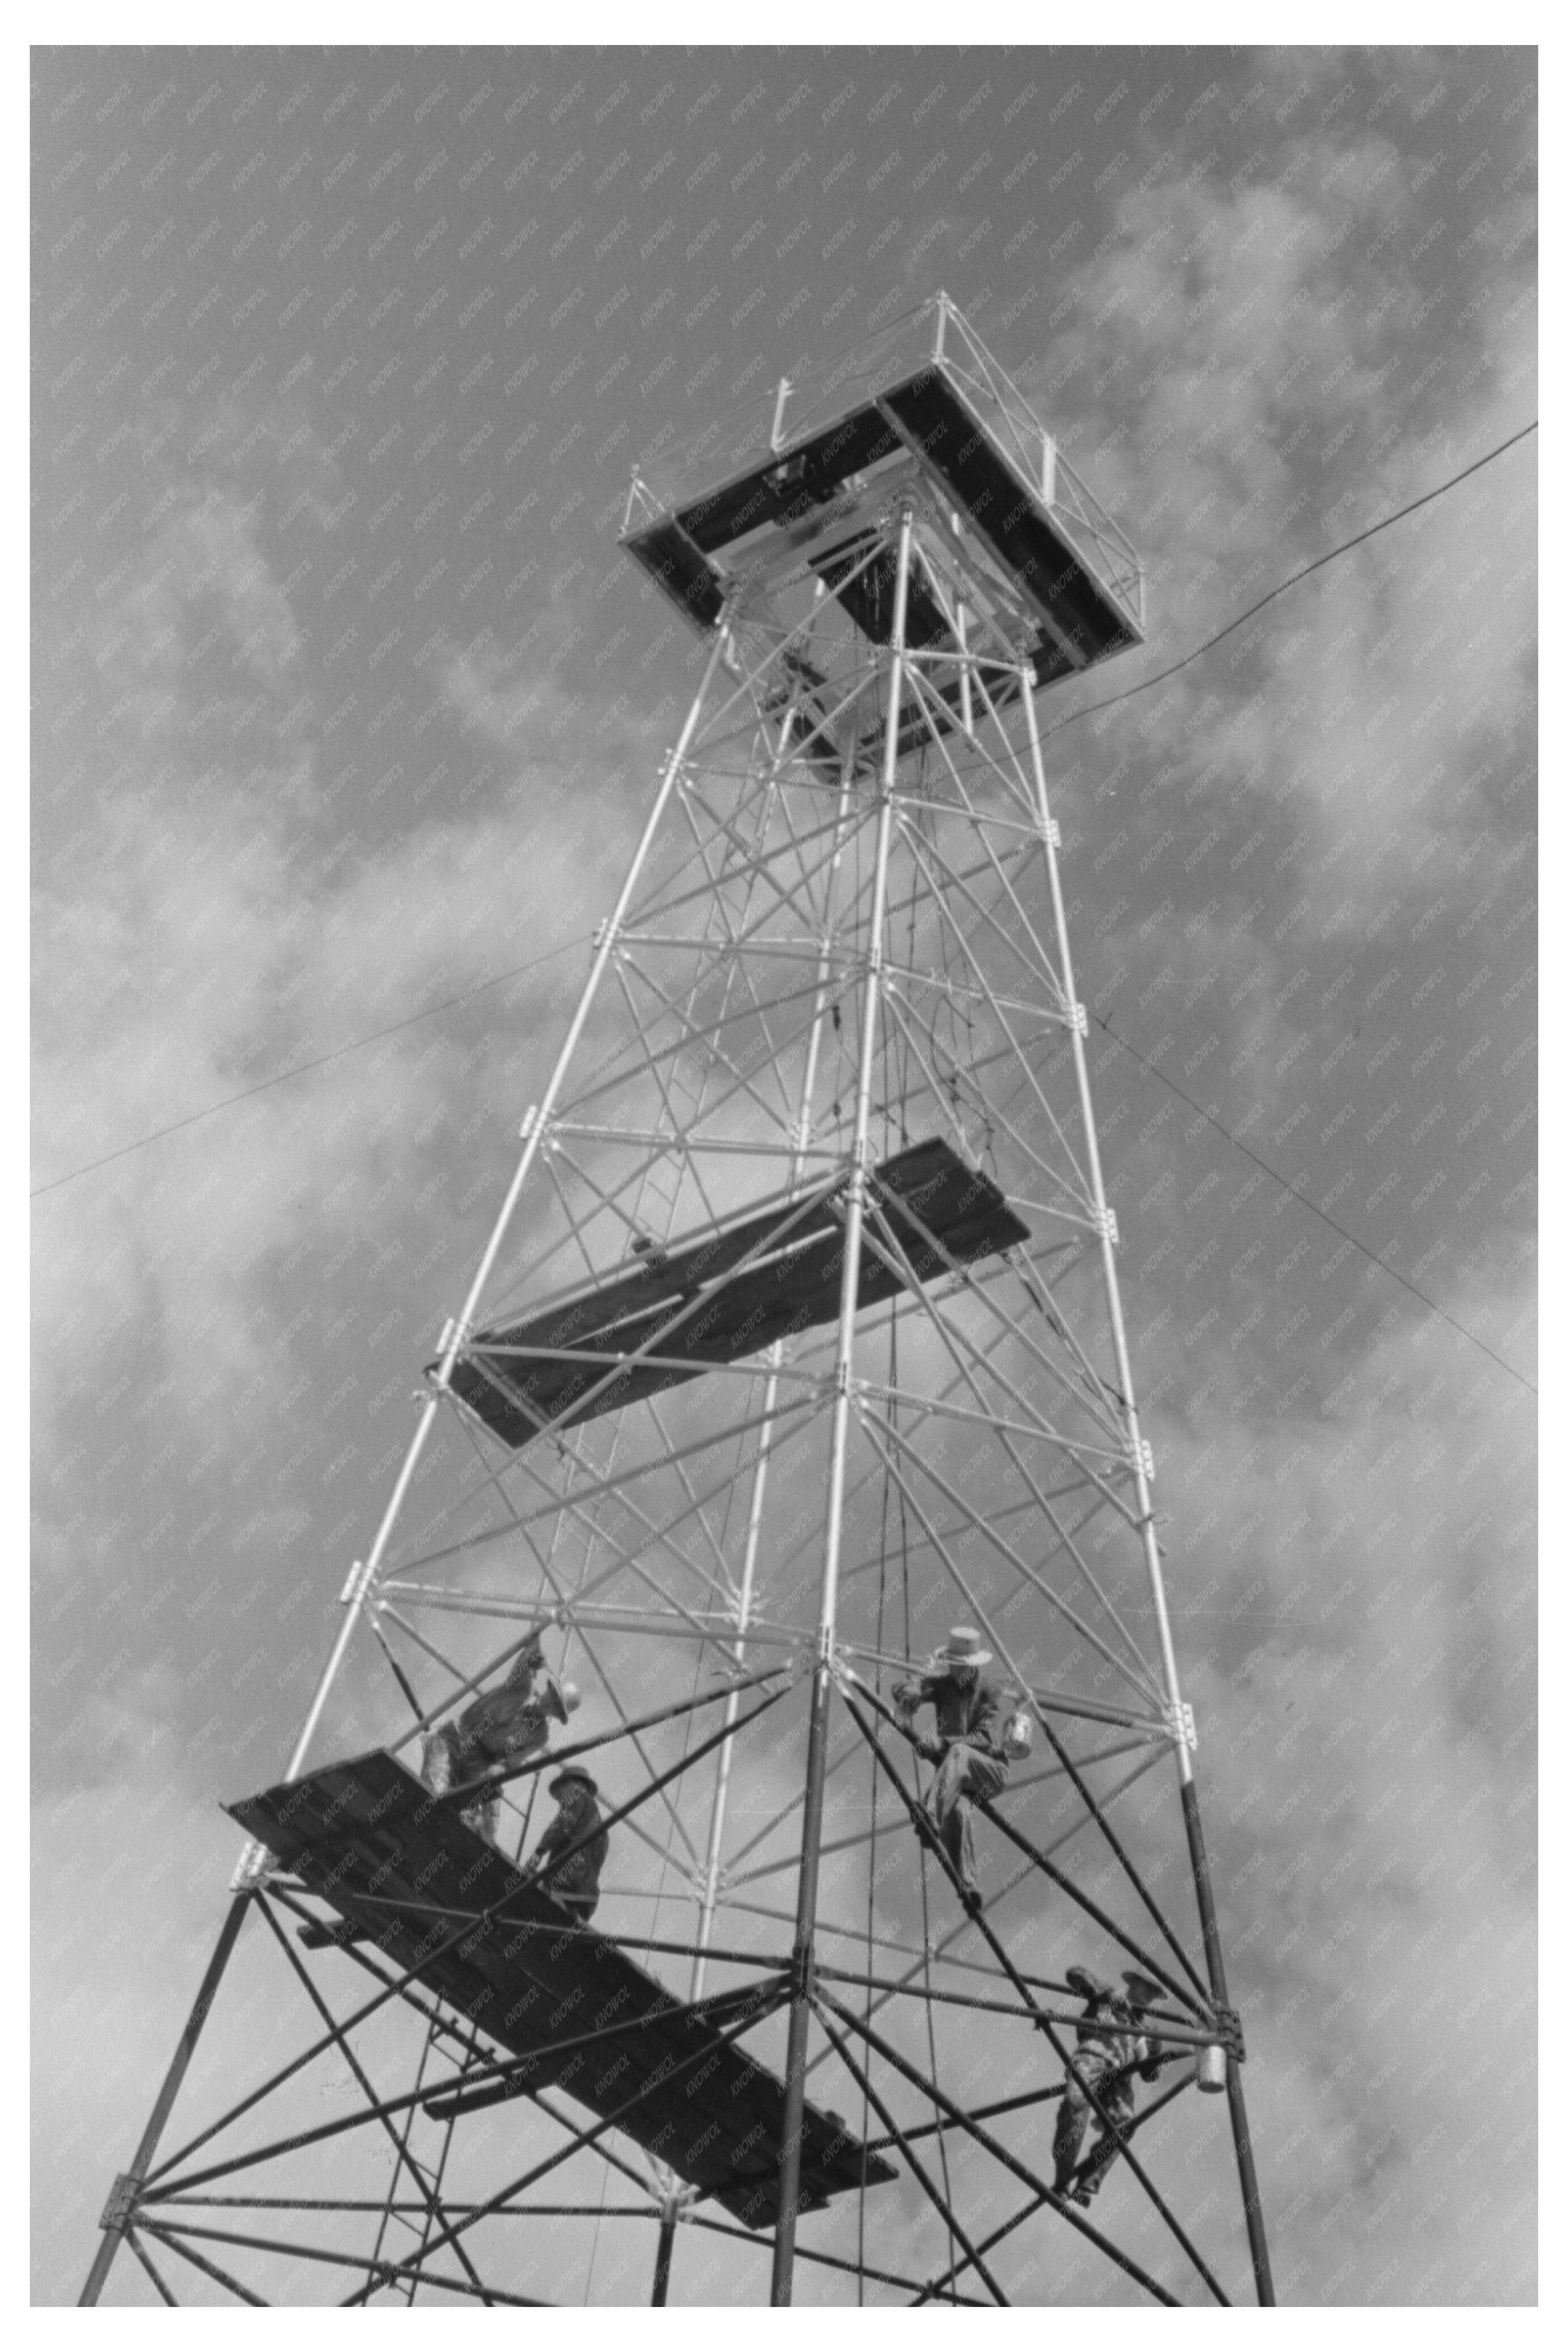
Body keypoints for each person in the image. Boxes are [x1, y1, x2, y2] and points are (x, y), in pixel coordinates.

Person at [892, 1627, 1010, 1911]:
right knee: (958, 1813)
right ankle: (968, 1886)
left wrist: (941, 1744)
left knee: (960, 1752)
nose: (959, 1671)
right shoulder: (945, 1686)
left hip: (989, 1770)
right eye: (955, 1666)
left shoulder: (989, 1691)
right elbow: (901, 1687)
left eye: (964, 1666)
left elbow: (984, 1740)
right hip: (958, 1775)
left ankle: (930, 1815)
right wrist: (911, 1693)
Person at [421, 1635, 580, 1844]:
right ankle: (422, 1823)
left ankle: (470, 1846)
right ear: (549, 1690)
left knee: (481, 1812)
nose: (550, 1704)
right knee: (433, 1791)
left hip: (481, 1762)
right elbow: (529, 1651)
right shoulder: (522, 1688)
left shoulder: (539, 1736)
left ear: (557, 1715)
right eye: (553, 1697)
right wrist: (536, 1651)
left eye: (556, 1707)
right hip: (456, 1739)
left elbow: (510, 1764)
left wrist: (495, 1775)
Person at [1051, 1966, 1165, 2205]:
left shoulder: (1144, 2030)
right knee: (1075, 2103)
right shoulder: (1110, 1998)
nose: (1151, 1995)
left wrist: (1155, 2053)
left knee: (1125, 2124)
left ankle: (1088, 2182)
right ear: (1134, 1983)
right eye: (1148, 1988)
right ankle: (1063, 2180)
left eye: (1155, 1992)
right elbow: (1074, 1974)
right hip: (1095, 2057)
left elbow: (1150, 2076)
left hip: (1120, 2076)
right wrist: (1104, 1991)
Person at [519, 1766, 610, 1923]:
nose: (560, 1801)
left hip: (564, 1884)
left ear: (571, 1783)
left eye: (560, 1793)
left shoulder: (577, 1794)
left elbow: (562, 1825)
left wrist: (539, 1853)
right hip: (584, 1896)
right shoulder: (601, 1829)